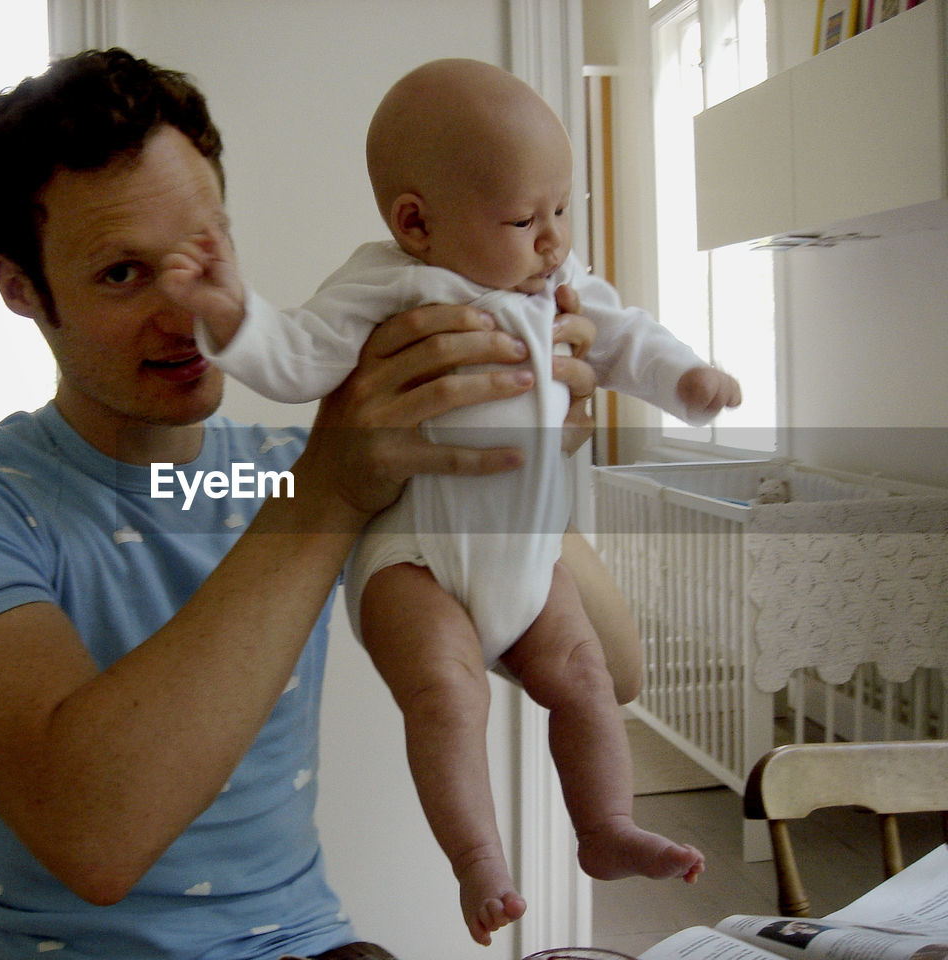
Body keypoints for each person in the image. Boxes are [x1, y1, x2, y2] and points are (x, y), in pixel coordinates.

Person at [0, 49, 607, 960]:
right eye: (122, 276)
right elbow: (97, 837)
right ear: (20, 288)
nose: (186, 315)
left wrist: (527, 451)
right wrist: (327, 488)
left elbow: (617, 667)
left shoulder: (287, 469)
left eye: (203, 252)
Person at [161, 57, 739, 945]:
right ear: (416, 222)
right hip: (415, 559)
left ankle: (604, 827)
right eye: (522, 217)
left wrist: (686, 383)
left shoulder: (557, 287)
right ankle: (480, 861)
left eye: (561, 209)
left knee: (584, 679)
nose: (551, 239)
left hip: (530, 554)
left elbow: (628, 336)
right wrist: (233, 314)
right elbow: (300, 356)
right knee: (445, 693)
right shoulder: (390, 280)